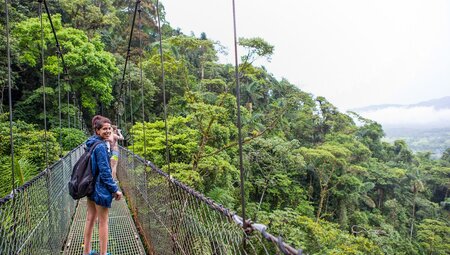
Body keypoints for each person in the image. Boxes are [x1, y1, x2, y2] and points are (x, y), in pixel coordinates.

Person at [83, 115, 123, 255]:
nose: (107, 131)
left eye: (109, 129)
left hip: (90, 187)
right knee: (103, 222)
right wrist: (115, 189)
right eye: (104, 129)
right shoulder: (100, 146)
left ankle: (86, 252)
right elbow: (105, 172)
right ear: (97, 131)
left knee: (90, 219)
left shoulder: (91, 143)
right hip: (100, 189)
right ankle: (103, 253)